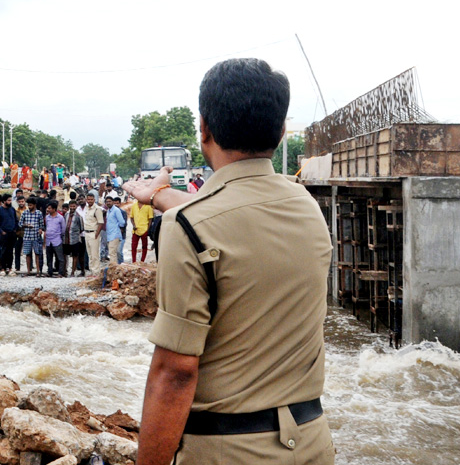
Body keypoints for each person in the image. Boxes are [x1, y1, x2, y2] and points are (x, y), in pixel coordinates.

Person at [125, 58, 334, 465]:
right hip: (311, 443)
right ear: (281, 130)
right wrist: (159, 195)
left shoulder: (188, 226)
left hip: (226, 450)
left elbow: (176, 371)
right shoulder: (305, 204)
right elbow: (227, 213)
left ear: (204, 128)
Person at [0, 194, 19, 273]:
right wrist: (1, 231)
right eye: (8, 200)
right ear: (4, 201)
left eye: (10, 200)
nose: (10, 202)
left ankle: (9, 268)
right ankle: (3, 268)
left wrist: (15, 229)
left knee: (10, 251)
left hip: (12, 233)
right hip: (4, 234)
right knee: (3, 251)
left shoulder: (12, 209)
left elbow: (16, 220)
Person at [20, 197, 45, 276]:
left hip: (36, 236)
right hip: (27, 236)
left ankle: (38, 271)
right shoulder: (25, 213)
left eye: (31, 205)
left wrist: (40, 229)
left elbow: (42, 225)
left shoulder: (39, 213)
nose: (29, 207)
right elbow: (20, 224)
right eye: (28, 205)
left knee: (37, 254)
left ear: (34, 205)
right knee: (28, 254)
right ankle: (28, 271)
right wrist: (26, 225)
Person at [80, 193, 105, 274]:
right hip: (86, 233)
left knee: (94, 255)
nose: (90, 201)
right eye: (88, 199)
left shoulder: (97, 209)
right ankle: (91, 271)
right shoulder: (87, 208)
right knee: (90, 254)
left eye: (91, 199)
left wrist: (96, 234)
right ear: (86, 200)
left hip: (93, 233)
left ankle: (96, 272)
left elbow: (101, 223)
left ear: (94, 200)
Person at [129, 195, 155, 263]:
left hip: (144, 229)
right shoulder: (134, 206)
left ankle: (142, 261)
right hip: (136, 230)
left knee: (144, 246)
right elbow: (131, 217)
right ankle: (134, 261)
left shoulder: (148, 207)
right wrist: (134, 225)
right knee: (133, 247)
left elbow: (150, 219)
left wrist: (148, 229)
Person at [44, 201, 67, 277]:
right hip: (48, 240)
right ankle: (49, 271)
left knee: (60, 258)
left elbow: (63, 229)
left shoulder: (60, 218)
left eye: (49, 208)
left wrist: (60, 236)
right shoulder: (47, 217)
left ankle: (61, 272)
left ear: (54, 209)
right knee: (49, 257)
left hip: (57, 240)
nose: (48, 209)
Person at [65, 199, 86, 276]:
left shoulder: (78, 216)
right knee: (65, 254)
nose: (72, 207)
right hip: (66, 239)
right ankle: (65, 270)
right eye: (71, 206)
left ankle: (73, 272)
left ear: (76, 206)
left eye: (74, 206)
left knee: (75, 255)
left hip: (75, 239)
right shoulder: (66, 215)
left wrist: (75, 233)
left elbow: (81, 228)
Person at [104, 195, 126, 269]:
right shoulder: (108, 211)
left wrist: (117, 228)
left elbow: (122, 222)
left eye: (110, 201)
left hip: (115, 235)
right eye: (107, 202)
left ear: (113, 202)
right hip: (109, 235)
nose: (108, 203)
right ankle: (114, 269)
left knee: (112, 254)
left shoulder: (116, 210)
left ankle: (113, 270)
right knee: (112, 253)